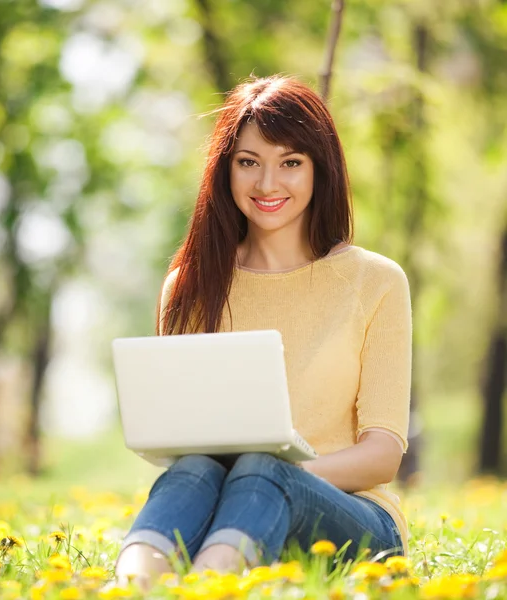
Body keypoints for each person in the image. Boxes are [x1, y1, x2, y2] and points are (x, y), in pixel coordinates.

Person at [115, 74, 412, 587]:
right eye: (248, 162)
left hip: (356, 521)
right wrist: (239, 478)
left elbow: (382, 455)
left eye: (290, 162)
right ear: (225, 170)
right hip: (228, 502)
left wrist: (269, 473)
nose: (267, 184)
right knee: (191, 472)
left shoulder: (376, 281)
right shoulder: (189, 286)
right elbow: (187, 441)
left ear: (321, 170)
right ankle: (129, 587)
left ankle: (209, 589)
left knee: (262, 466)